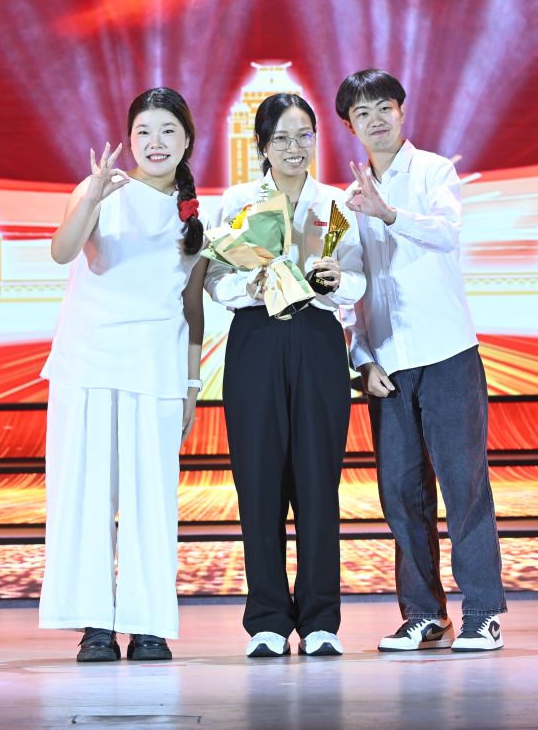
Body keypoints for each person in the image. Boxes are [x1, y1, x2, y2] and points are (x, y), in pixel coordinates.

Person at [337, 68, 506, 653]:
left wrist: (388, 213)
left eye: (383, 108)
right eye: (362, 113)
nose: (375, 120)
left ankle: (482, 611)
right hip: (388, 363)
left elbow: (446, 233)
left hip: (447, 352)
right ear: (349, 126)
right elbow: (354, 285)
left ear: (401, 111)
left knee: (465, 486)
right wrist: (362, 358)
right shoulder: (348, 199)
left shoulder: (434, 171)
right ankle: (424, 614)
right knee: (401, 495)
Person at [40, 86, 208, 663]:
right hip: (87, 364)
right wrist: (92, 197)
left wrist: (192, 386)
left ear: (186, 139)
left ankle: (148, 624)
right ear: (129, 139)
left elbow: (192, 309)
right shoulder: (100, 189)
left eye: (167, 131)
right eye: (143, 132)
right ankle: (94, 625)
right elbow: (62, 252)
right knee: (86, 496)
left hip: (157, 369)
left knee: (151, 502)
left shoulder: (197, 215)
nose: (155, 143)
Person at [208, 91, 365, 658]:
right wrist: (249, 284)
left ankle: (322, 619)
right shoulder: (238, 202)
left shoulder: (337, 204)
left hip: (318, 339)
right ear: (262, 145)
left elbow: (360, 281)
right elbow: (214, 281)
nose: (295, 148)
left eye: (304, 136)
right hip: (256, 339)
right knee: (258, 482)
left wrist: (337, 281)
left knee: (319, 482)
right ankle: (268, 619)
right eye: (281, 138)